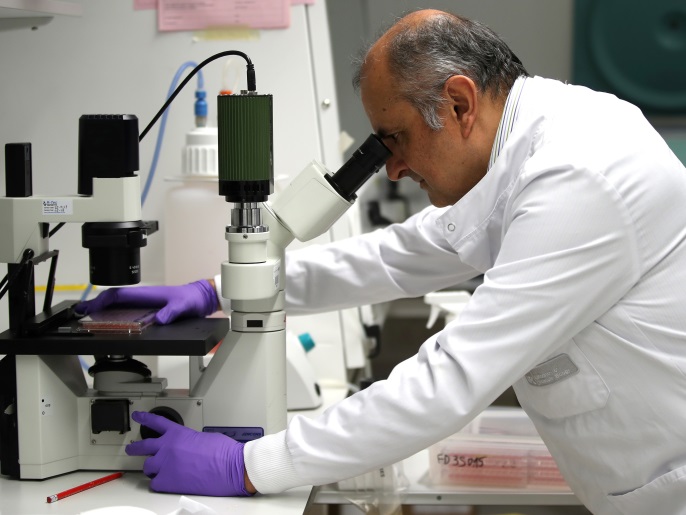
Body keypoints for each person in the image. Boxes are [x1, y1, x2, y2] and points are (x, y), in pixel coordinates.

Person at [76, 9, 686, 515]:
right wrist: (221, 291)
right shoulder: (525, 150)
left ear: (458, 103)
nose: (390, 168)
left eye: (392, 138)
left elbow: (449, 380)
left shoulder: (576, 173)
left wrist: (249, 466)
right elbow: (404, 254)